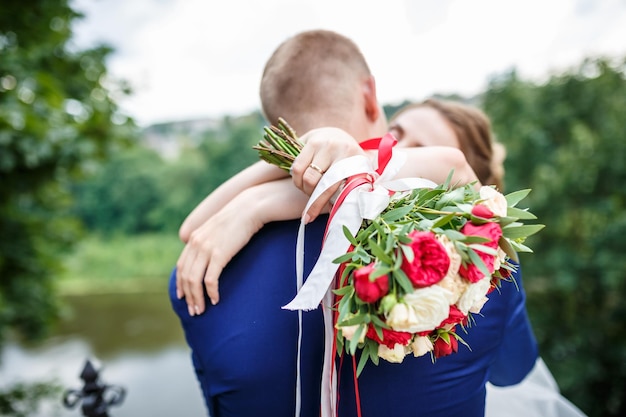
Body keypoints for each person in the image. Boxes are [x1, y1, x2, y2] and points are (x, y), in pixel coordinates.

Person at [169, 30, 538, 417]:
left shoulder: (197, 275)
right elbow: (512, 371)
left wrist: (262, 199)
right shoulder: (482, 259)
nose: (400, 153)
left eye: (416, 150)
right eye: (396, 137)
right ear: (369, 96)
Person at [389, 99, 587, 417]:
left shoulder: (487, 272)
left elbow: (512, 373)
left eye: (426, 153)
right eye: (394, 135)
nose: (400, 154)